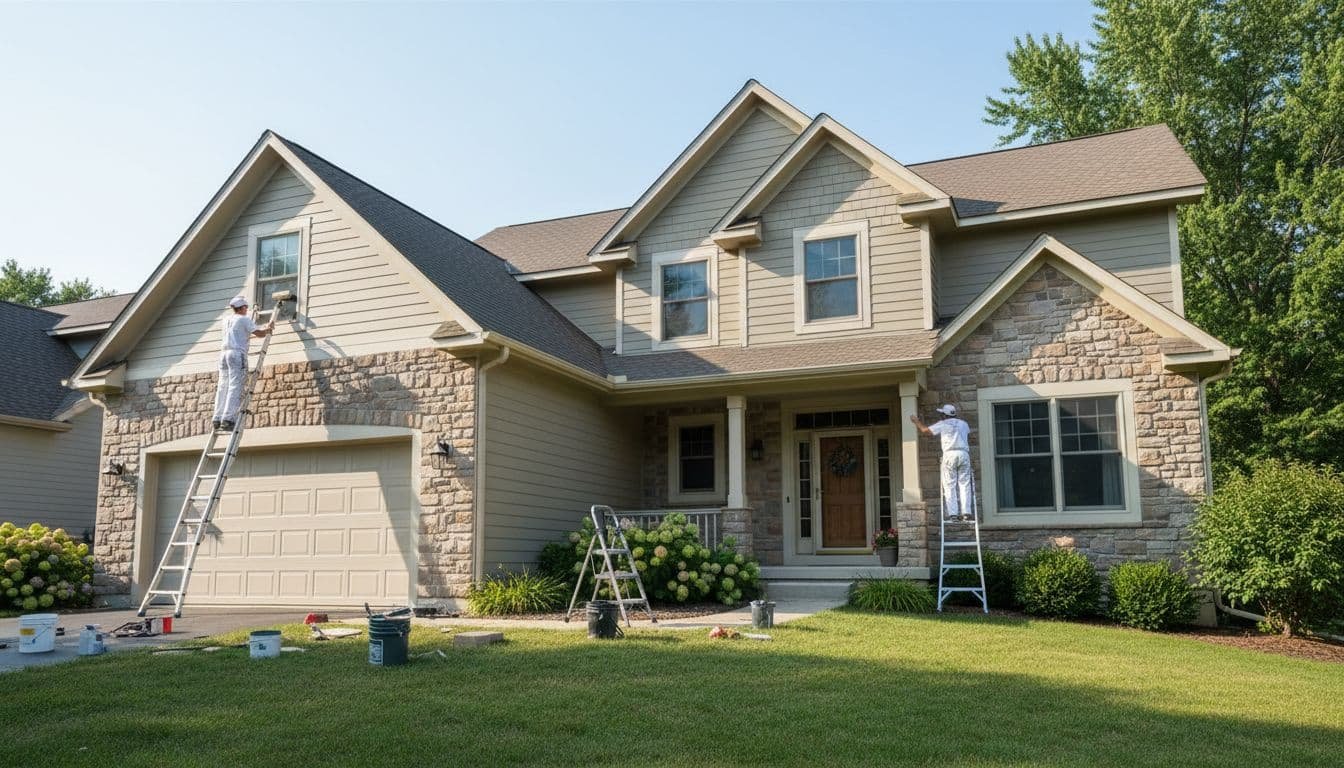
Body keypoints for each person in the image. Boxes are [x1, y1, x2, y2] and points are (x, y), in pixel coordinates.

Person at [211, 295, 273, 432]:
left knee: (223, 386)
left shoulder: (226, 320)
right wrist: (268, 329)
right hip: (236, 355)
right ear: (242, 307)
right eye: (246, 307)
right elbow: (259, 333)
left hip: (223, 355)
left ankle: (217, 418)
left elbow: (239, 332)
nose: (247, 309)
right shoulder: (243, 319)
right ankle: (228, 419)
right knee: (235, 385)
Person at [910, 404, 975, 520]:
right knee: (964, 484)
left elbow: (925, 431)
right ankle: (966, 512)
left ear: (945, 415)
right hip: (963, 454)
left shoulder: (943, 424)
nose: (941, 416)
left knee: (949, 485)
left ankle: (953, 514)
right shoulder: (964, 424)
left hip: (949, 454)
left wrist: (916, 421)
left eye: (942, 414)